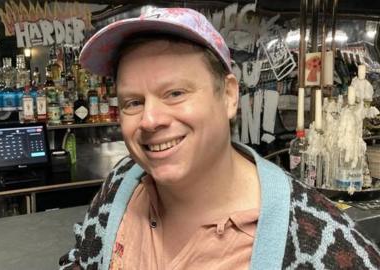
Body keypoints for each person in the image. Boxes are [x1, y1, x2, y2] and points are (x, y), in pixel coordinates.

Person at [59, 7, 380, 270]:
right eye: (133, 102)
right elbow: (81, 260)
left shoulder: (321, 241)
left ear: (228, 95)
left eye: (174, 93)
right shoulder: (122, 184)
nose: (150, 120)